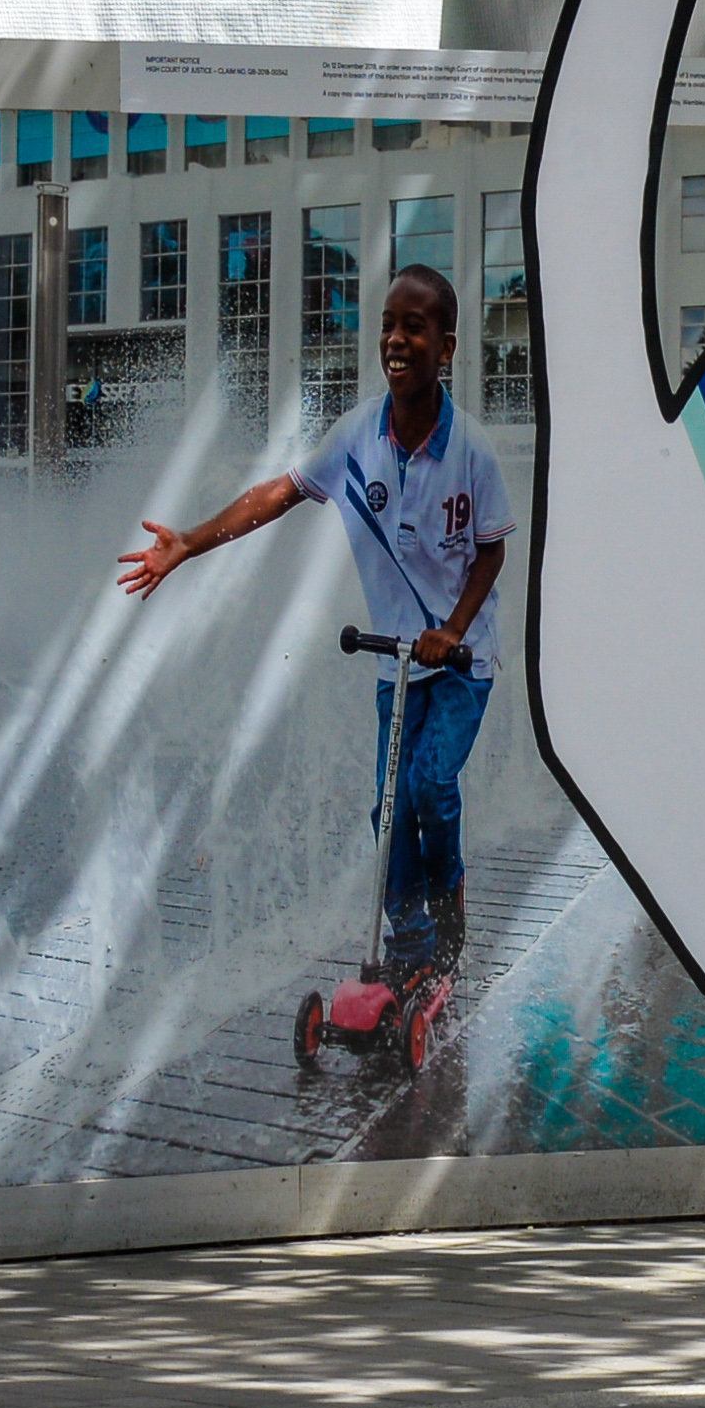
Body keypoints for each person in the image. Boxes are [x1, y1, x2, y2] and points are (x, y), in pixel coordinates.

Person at [115, 262, 511, 977]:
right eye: (388, 324)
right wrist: (189, 544)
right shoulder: (358, 436)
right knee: (387, 813)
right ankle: (411, 947)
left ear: (446, 348)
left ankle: (448, 889)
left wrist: (452, 631)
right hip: (397, 662)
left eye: (413, 327)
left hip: (460, 664)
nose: (394, 339)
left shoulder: (474, 452)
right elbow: (277, 494)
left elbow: (490, 556)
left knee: (428, 787)